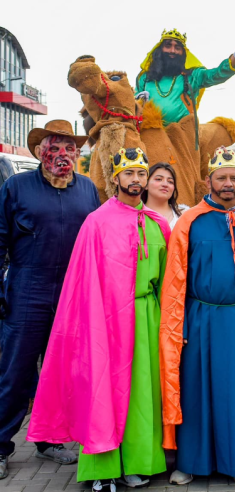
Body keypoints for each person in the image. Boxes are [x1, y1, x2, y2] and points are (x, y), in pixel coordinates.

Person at [27, 147, 171, 492]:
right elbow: (83, 281)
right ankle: (101, 469)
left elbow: (168, 281)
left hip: (146, 317)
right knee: (104, 392)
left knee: (141, 395)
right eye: (129, 174)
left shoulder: (159, 225)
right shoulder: (97, 222)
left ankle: (138, 462)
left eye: (141, 173)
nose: (135, 180)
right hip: (104, 321)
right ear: (116, 178)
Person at [160, 147, 235, 485]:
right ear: (208, 180)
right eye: (221, 178)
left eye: (233, 178)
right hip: (200, 319)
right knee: (195, 389)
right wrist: (180, 325)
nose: (227, 183)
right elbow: (176, 280)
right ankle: (190, 462)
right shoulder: (190, 221)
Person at [0, 120, 100, 480]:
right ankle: (0, 445)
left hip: (73, 293)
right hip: (28, 287)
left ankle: (49, 439)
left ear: (77, 153)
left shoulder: (87, 189)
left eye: (68, 149)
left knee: (61, 372)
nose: (61, 155)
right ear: (40, 152)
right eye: (53, 148)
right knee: (15, 371)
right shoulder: (16, 186)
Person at [135, 29, 235, 126]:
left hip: (182, 137)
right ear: (160, 49)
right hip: (150, 134)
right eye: (168, 46)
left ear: (183, 52)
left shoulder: (192, 75)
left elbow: (216, 75)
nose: (172, 50)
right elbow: (134, 106)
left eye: (177, 47)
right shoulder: (145, 78)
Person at [142, 162, 184, 229]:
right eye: (158, 179)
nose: (165, 184)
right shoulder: (135, 215)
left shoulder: (185, 215)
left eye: (170, 181)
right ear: (146, 185)